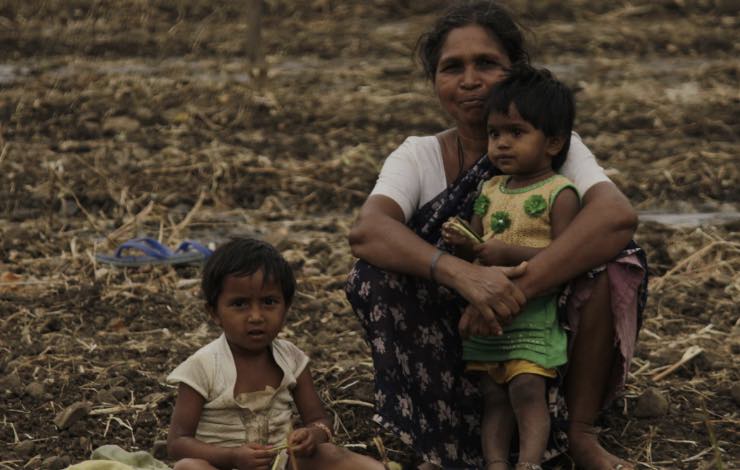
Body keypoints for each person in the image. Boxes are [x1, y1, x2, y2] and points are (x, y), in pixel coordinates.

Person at [345, 1, 648, 469]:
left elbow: (615, 217)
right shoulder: (419, 156)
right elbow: (368, 231)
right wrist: (463, 275)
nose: (470, 80)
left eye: (486, 63)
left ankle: (579, 431)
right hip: (451, 340)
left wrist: (512, 292)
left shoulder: (552, 143)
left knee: (614, 260)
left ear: (514, 72)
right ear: (435, 83)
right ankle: (440, 435)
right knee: (374, 274)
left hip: (539, 332)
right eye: (452, 68)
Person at [442, 64, 578, 470]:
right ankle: (496, 463)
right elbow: (481, 252)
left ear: (553, 142)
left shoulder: (560, 192)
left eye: (516, 133)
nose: (501, 144)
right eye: (495, 133)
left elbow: (565, 256)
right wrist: (467, 244)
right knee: (493, 396)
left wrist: (507, 252)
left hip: (534, 315)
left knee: (527, 388)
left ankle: (529, 463)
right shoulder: (490, 188)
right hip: (491, 318)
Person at [167, 238, 386, 470]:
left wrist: (313, 435)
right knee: (189, 467)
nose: (256, 316)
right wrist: (231, 457)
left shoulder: (292, 359)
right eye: (240, 304)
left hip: (281, 464)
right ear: (214, 312)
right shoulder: (203, 366)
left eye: (269, 302)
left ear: (286, 306)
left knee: (331, 454)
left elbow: (319, 420)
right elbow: (177, 443)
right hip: (221, 465)